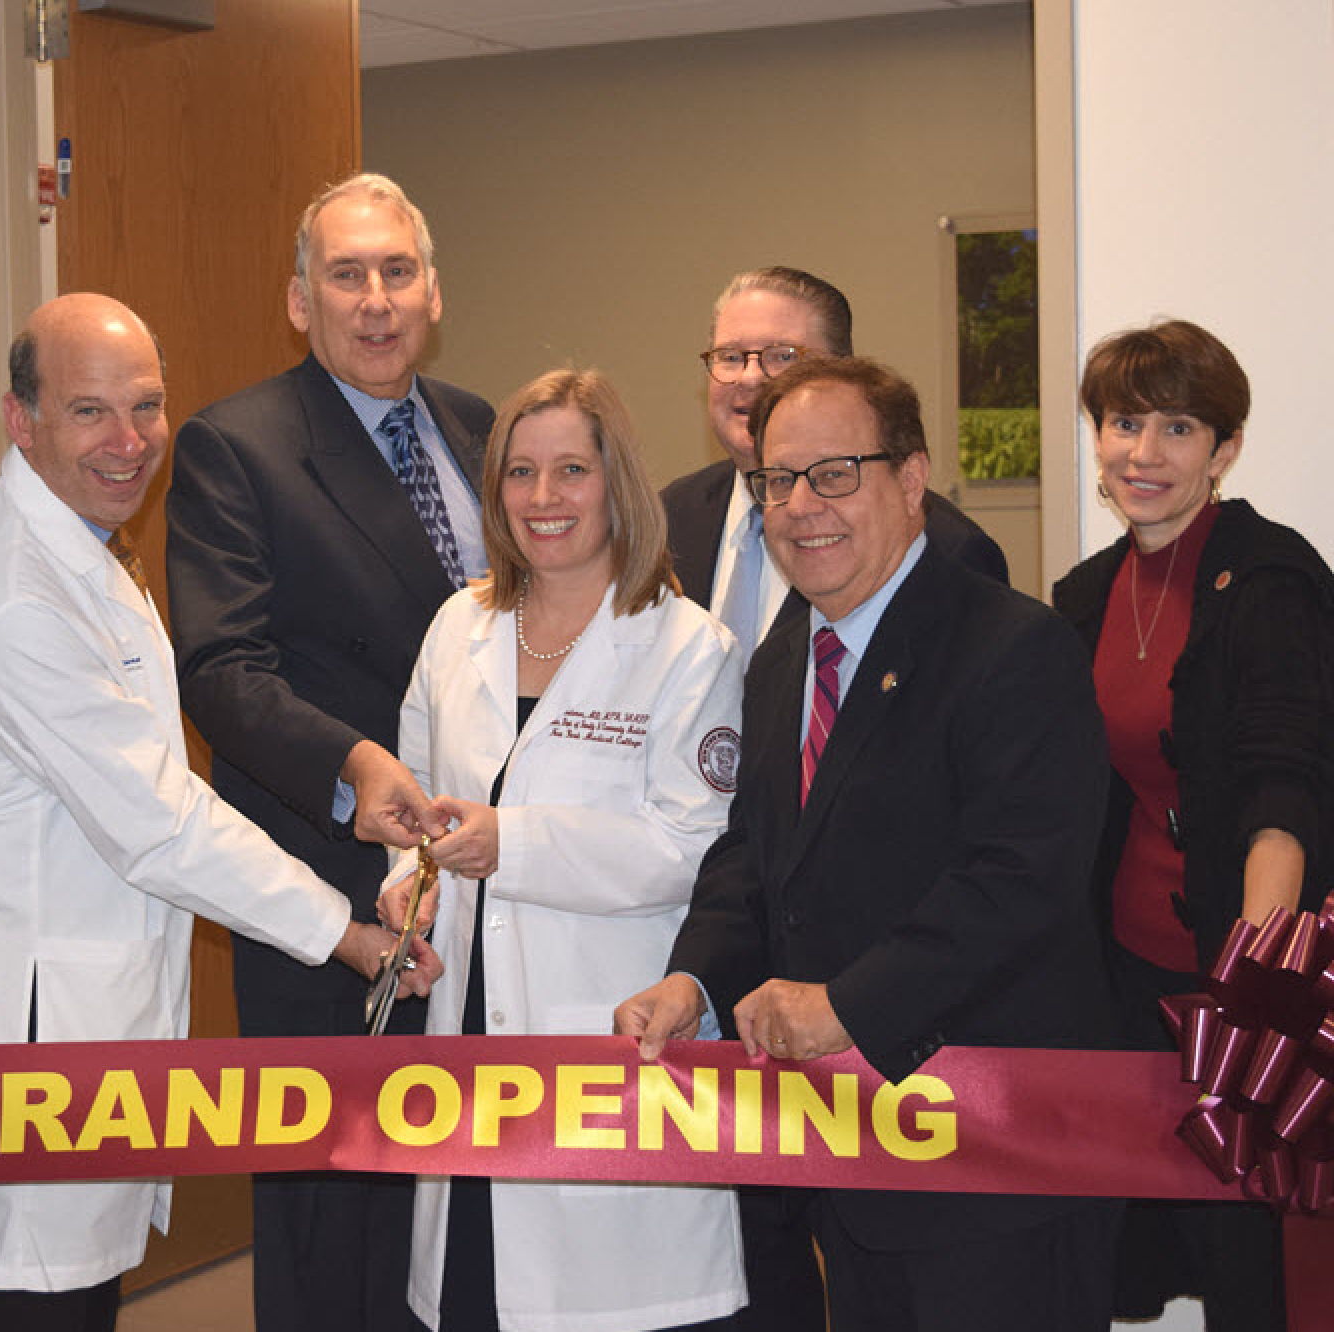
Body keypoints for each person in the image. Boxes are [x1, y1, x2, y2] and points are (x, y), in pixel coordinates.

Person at [0, 293, 438, 1332]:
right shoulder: (19, 599)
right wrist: (347, 935)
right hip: (27, 1053)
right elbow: (160, 823)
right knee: (27, 1305)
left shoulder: (79, 545)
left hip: (81, 1032)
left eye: (145, 406)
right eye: (90, 411)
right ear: (21, 419)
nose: (129, 441)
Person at [617, 357, 1120, 1332]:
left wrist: (845, 1006)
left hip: (997, 1167)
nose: (801, 505)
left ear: (909, 476)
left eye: (834, 473)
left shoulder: (1013, 648)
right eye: (776, 481)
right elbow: (752, 860)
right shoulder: (780, 659)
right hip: (850, 1160)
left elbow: (1018, 882)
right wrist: (695, 982)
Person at [166, 171, 491, 1331]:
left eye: (395, 273)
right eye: (345, 275)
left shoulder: (482, 431)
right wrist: (353, 765)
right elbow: (222, 670)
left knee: (453, 1206)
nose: (374, 300)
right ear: (299, 301)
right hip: (331, 890)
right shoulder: (234, 447)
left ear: (431, 290)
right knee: (330, 1218)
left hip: (481, 881)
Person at [380, 369, 746, 1331]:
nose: (543, 499)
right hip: (465, 1029)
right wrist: (404, 891)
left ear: (615, 479)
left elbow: (693, 848)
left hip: (607, 1035)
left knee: (605, 1302)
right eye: (520, 473)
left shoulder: (686, 647)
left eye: (571, 470)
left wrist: (514, 844)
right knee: (472, 1294)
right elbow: (417, 803)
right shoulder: (459, 626)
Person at [1051, 319, 1334, 1330]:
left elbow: (1282, 785)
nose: (1143, 453)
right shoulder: (1080, 598)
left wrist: (1250, 982)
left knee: (1245, 1258)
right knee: (1115, 1239)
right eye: (1123, 422)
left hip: (1236, 979)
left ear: (1223, 450)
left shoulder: (1267, 578)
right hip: (1121, 979)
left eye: (1177, 427)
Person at [663, 266, 1006, 651]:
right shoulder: (671, 515)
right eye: (730, 356)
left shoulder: (949, 548)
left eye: (782, 355)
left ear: (842, 373)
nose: (750, 378)